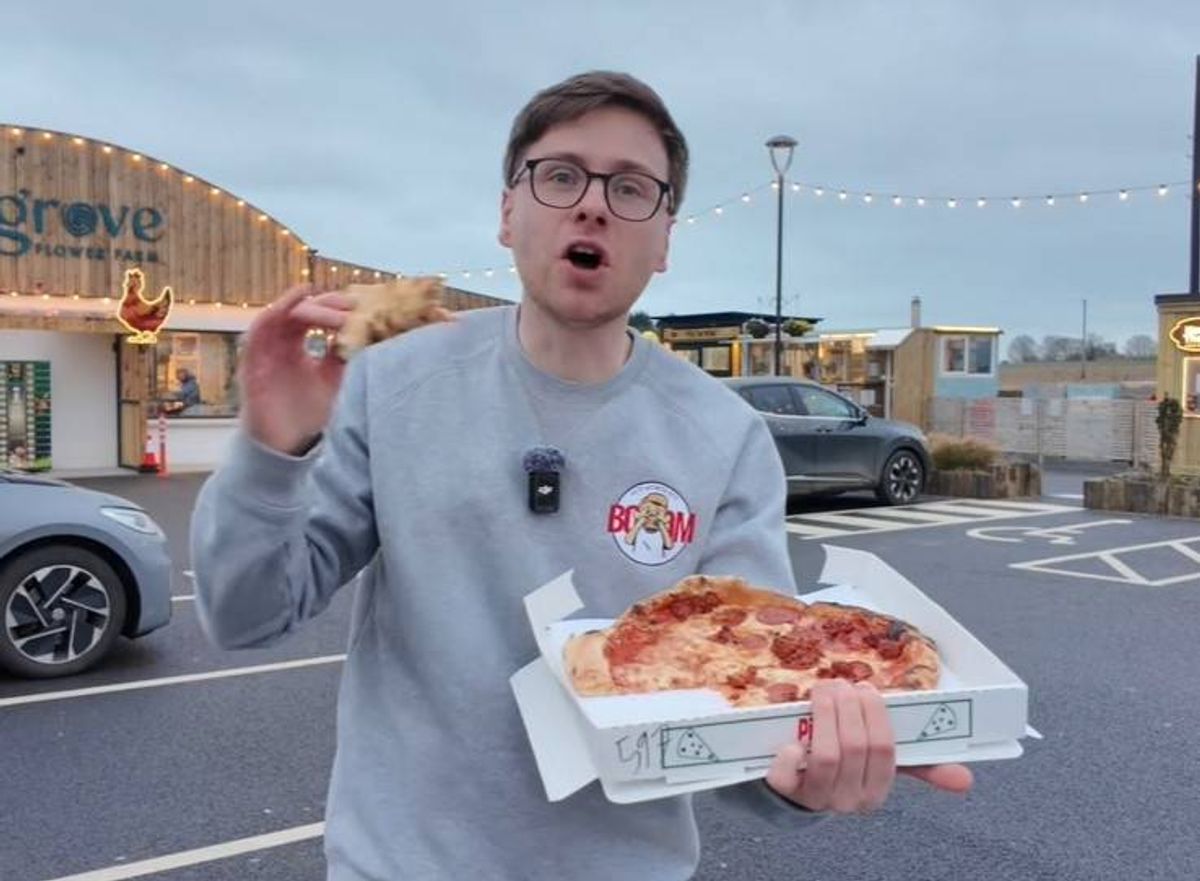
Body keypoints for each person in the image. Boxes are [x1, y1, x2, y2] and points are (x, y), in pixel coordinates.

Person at [190, 71, 972, 881]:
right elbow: (246, 617)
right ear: (508, 212)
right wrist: (270, 450)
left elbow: (753, 706)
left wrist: (803, 779)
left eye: (630, 187)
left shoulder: (726, 434)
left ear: (664, 239)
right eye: (561, 175)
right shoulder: (393, 382)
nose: (593, 204)